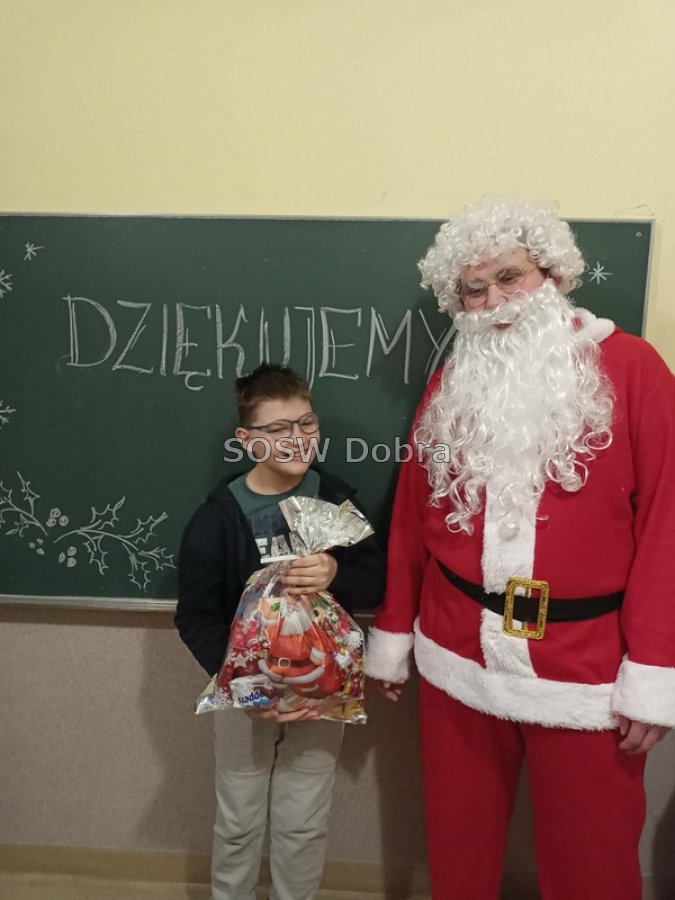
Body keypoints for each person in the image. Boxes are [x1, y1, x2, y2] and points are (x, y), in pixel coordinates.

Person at [365, 197, 675, 900]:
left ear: (552, 274)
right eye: (473, 289)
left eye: (510, 277)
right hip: (456, 648)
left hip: (585, 666)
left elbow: (667, 525)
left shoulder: (633, 369)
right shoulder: (453, 381)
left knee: (593, 864)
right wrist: (394, 628)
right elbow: (413, 512)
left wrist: (654, 670)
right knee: (458, 851)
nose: (494, 302)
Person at [175, 363, 385, 900]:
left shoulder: (337, 501)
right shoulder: (219, 518)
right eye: (276, 429)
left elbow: (377, 577)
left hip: (321, 694)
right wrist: (246, 687)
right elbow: (195, 615)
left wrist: (336, 571)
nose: (296, 439)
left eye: (306, 423)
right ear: (247, 440)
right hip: (246, 698)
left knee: (304, 821)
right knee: (238, 819)